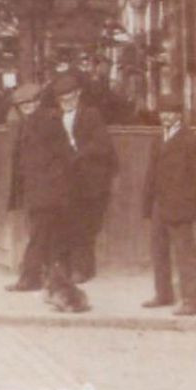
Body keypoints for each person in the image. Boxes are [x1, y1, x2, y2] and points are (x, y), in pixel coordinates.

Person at [141, 97, 196, 316]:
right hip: (159, 206)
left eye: (171, 113)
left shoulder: (191, 141)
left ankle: (193, 301)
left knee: (185, 253)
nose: (166, 117)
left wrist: (189, 203)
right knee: (158, 251)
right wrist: (148, 204)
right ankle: (164, 295)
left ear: (180, 115)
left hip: (181, 207)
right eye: (163, 113)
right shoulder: (157, 139)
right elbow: (151, 175)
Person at [5, 83, 76, 296]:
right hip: (41, 190)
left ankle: (30, 279)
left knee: (38, 236)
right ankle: (51, 279)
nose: (27, 107)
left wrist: (52, 187)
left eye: (30, 103)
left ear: (38, 102)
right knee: (46, 236)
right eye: (22, 105)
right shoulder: (32, 123)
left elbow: (61, 157)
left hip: (46, 191)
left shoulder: (45, 122)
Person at [53, 74, 118, 283]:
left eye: (70, 97)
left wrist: (76, 153)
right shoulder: (55, 117)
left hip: (88, 180)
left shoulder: (91, 114)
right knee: (65, 225)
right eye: (62, 99)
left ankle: (82, 270)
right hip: (65, 180)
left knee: (84, 226)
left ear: (78, 94)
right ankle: (67, 269)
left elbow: (102, 145)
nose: (66, 102)